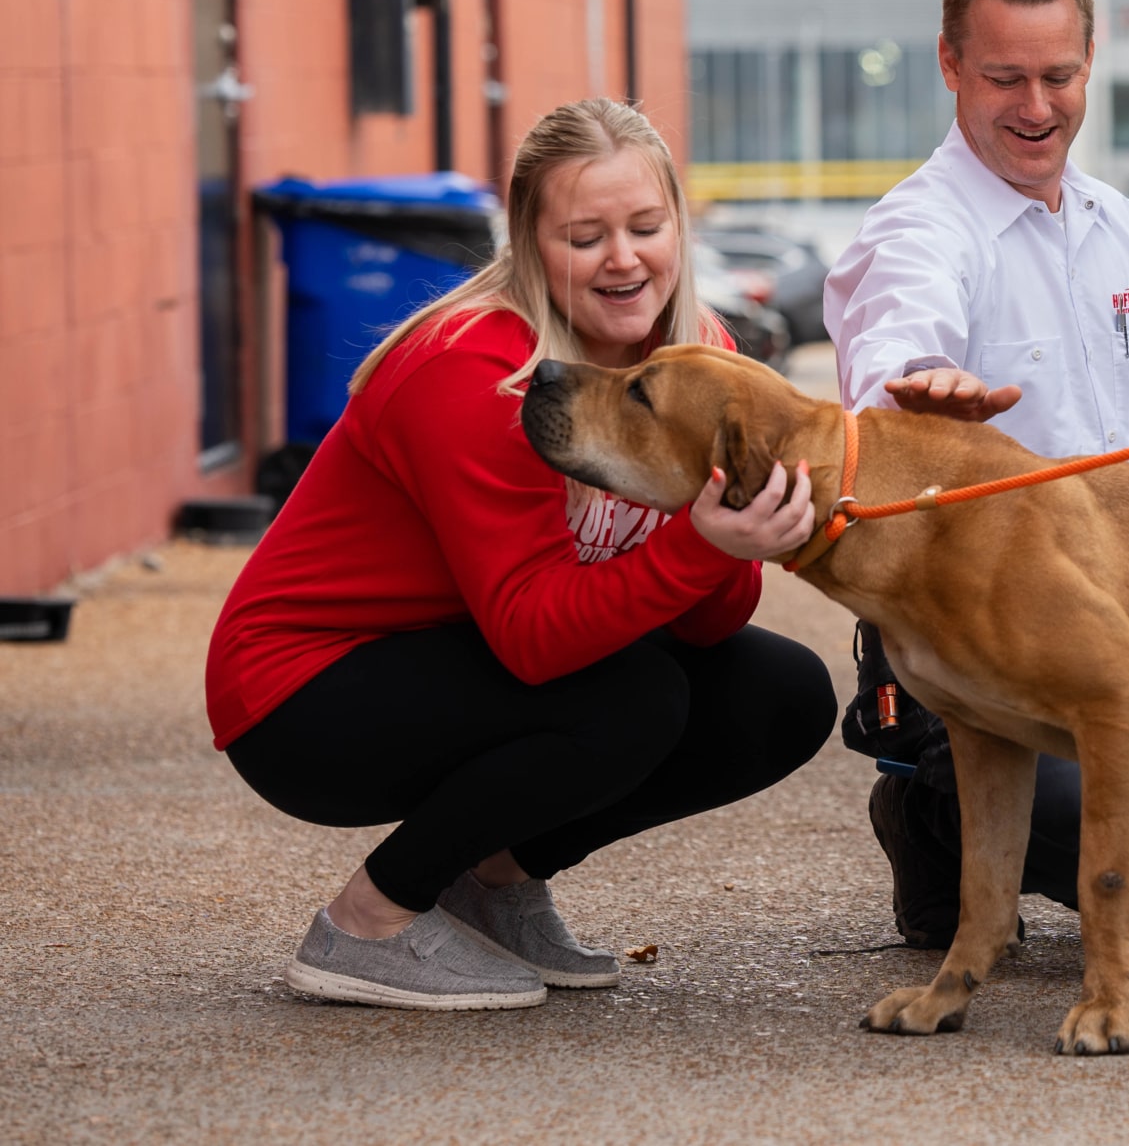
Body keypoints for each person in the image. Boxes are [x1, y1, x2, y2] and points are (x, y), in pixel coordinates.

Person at [208, 99, 837, 1011]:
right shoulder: (473, 371)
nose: (624, 258)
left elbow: (707, 621)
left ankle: (488, 884)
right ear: (531, 242)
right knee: (632, 698)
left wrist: (729, 535)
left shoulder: (699, 362)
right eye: (586, 236)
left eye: (646, 226)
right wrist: (700, 541)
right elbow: (533, 641)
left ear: (678, 226)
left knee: (777, 694)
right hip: (304, 691)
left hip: (460, 652)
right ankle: (367, 921)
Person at [824, 0, 1129, 954]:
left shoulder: (1118, 222)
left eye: (1058, 75)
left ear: (1090, 59)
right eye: (1004, 78)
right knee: (1076, 777)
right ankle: (935, 815)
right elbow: (890, 363)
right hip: (988, 618)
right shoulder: (917, 232)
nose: (1036, 106)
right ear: (949, 65)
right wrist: (921, 396)